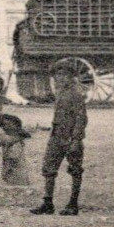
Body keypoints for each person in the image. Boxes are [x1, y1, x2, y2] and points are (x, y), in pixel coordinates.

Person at [34, 60, 88, 216]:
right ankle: (47, 203)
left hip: (70, 138)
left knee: (75, 170)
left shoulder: (76, 94)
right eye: (58, 75)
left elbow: (81, 118)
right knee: (49, 169)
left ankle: (73, 204)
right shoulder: (61, 92)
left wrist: (76, 140)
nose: (61, 78)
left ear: (72, 77)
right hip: (56, 136)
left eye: (65, 75)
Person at [0, 114, 34, 186]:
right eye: (4, 125)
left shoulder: (13, 138)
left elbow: (13, 157)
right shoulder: (10, 137)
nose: (6, 127)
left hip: (15, 168)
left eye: (9, 124)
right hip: (13, 168)